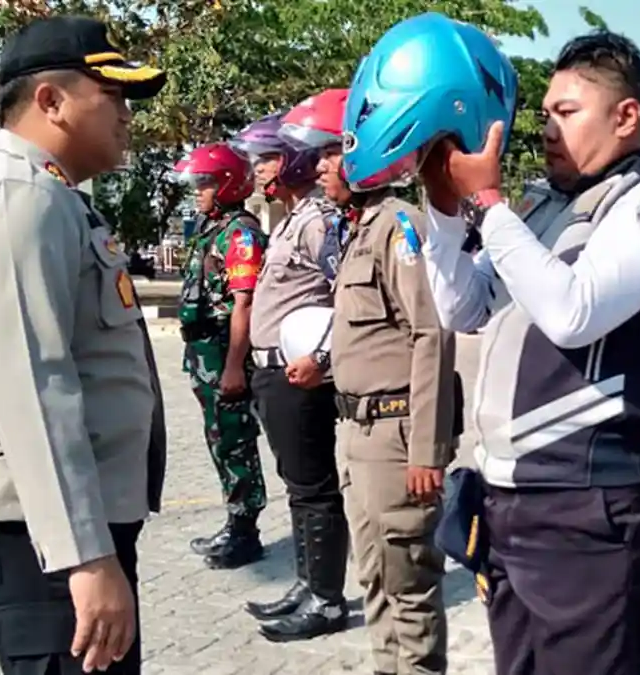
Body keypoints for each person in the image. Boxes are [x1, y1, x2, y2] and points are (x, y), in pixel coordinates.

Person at [357, 23, 640, 674]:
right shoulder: (545, 206)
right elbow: (464, 305)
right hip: (510, 497)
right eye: (545, 112)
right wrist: (443, 210)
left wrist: (488, 203)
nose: (547, 128)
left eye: (568, 112)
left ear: (627, 115)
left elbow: (572, 311)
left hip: (590, 504)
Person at [0, 16, 167, 675]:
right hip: (36, 530)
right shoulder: (16, 199)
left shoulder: (52, 195)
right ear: (50, 101)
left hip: (55, 524)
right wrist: (84, 556)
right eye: (111, 96)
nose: (126, 115)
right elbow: (34, 385)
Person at [287, 85, 460, 675]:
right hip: (359, 434)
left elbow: (431, 335)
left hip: (396, 438)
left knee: (409, 589)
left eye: (338, 149)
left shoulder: (398, 227)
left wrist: (428, 448)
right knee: (376, 579)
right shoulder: (358, 229)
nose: (324, 164)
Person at [233, 112, 351, 642]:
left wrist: (324, 358)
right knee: (298, 487)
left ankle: (326, 600)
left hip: (299, 374)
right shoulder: (289, 218)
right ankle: (308, 584)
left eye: (268, 159)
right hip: (273, 373)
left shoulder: (318, 220)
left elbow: (349, 295)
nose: (258, 170)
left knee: (315, 487)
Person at [174, 142, 270, 569]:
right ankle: (234, 522)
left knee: (234, 440)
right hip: (203, 352)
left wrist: (234, 365)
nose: (198, 191)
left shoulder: (240, 233)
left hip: (224, 354)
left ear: (228, 184)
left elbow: (244, 304)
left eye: (205, 183)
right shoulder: (210, 228)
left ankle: (246, 531)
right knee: (219, 439)